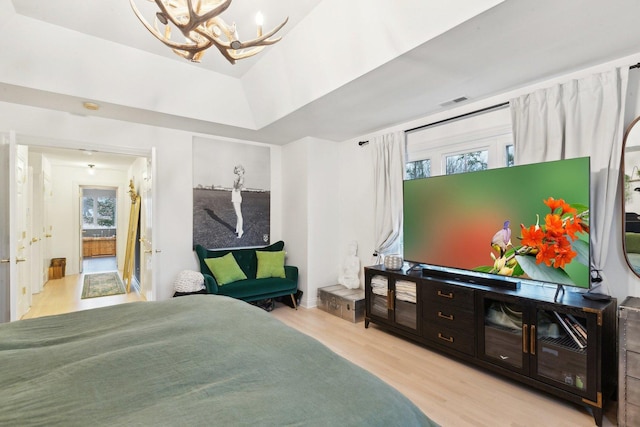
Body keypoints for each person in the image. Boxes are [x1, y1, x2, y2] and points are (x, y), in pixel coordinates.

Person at [232, 164, 245, 238]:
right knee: (237, 214)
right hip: (235, 196)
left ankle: (240, 231)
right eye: (237, 171)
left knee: (239, 214)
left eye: (239, 171)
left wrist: (236, 182)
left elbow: (237, 188)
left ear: (242, 171)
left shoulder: (241, 178)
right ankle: (237, 229)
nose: (238, 172)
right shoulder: (239, 177)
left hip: (236, 196)